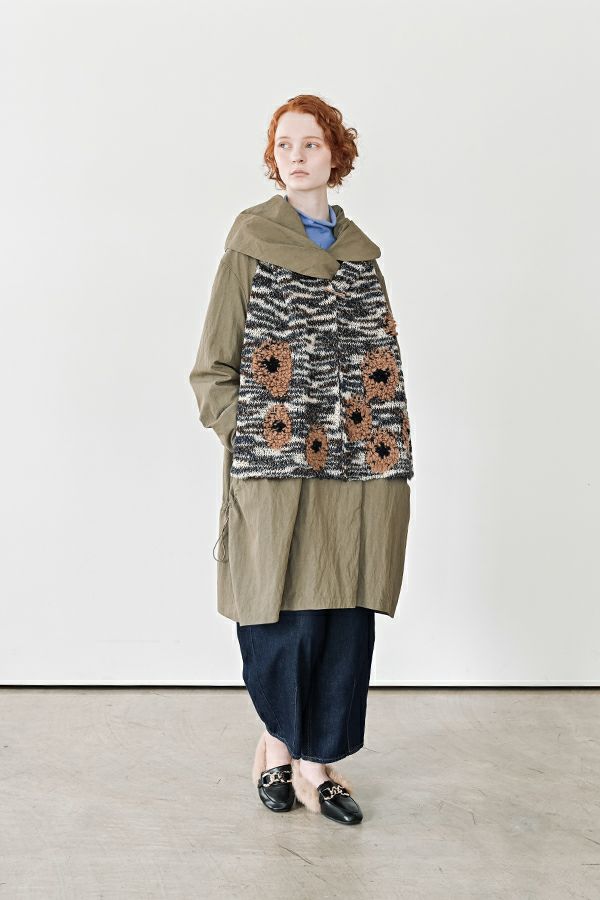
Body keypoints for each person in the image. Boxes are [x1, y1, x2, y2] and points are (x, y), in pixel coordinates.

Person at [189, 94, 413, 825]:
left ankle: (319, 763)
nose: (295, 156)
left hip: (355, 472)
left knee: (342, 615)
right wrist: (251, 434)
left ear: (335, 156)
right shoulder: (250, 244)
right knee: (280, 612)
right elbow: (212, 368)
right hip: (275, 471)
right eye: (283, 144)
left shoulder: (361, 259)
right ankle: (278, 746)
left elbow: (380, 366)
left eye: (310, 143)